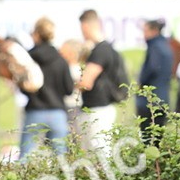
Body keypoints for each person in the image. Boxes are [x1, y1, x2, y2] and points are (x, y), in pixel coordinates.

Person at [19, 17, 74, 161]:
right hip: (57, 113)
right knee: (61, 158)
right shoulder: (60, 60)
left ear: (36, 34)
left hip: (35, 111)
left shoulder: (29, 58)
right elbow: (69, 89)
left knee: (26, 155)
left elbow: (24, 88)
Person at [75, 10, 122, 157]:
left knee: (99, 152)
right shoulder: (107, 49)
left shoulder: (100, 51)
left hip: (97, 110)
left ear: (87, 26)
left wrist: (68, 84)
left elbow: (85, 83)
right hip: (101, 108)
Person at [137, 18, 174, 145]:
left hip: (150, 101)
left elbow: (152, 68)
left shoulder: (155, 47)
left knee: (148, 139)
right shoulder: (166, 45)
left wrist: (141, 82)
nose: (143, 34)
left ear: (154, 31)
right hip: (163, 98)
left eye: (145, 31)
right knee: (157, 139)